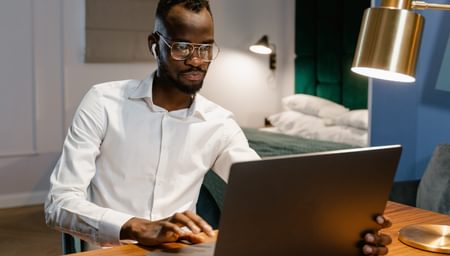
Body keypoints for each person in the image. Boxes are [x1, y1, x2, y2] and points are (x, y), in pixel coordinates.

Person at [45, 0, 392, 254]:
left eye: (205, 48)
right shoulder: (103, 102)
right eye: (181, 47)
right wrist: (138, 227)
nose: (196, 60)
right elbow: (59, 203)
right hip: (114, 251)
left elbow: (270, 191)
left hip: (185, 252)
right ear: (155, 45)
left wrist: (346, 230)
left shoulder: (218, 122)